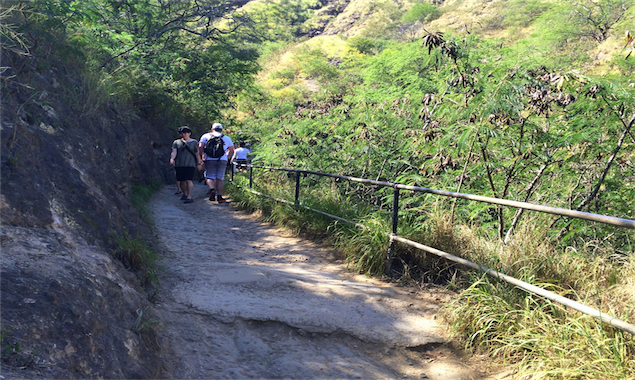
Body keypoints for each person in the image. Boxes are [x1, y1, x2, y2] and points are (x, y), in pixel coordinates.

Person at [199, 123, 234, 203]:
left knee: (209, 176)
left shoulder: (205, 136)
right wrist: (227, 157)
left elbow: (200, 146)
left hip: (209, 159)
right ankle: (219, 196)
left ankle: (212, 189)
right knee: (220, 178)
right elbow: (231, 150)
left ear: (212, 129)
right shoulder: (226, 138)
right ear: (221, 130)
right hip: (222, 159)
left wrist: (202, 156)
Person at [170, 126, 203, 204]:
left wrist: (199, 163)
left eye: (185, 133)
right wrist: (172, 159)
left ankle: (189, 196)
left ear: (189, 133)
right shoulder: (176, 142)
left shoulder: (194, 142)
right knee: (182, 181)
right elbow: (174, 152)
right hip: (179, 164)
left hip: (190, 164)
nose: (183, 135)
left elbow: (197, 154)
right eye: (182, 133)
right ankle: (184, 194)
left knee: (189, 180)